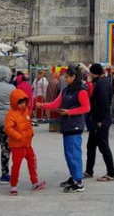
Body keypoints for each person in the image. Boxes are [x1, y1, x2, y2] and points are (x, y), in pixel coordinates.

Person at [38, 65, 91, 193]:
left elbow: (86, 108)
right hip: (67, 125)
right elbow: (56, 103)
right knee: (69, 155)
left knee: (74, 155)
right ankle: (74, 177)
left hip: (75, 125)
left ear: (73, 77)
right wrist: (43, 106)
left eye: (67, 77)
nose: (65, 79)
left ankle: (78, 182)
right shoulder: (66, 91)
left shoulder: (81, 91)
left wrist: (70, 112)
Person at [4, 89, 46, 196]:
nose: (22, 105)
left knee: (32, 162)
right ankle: (13, 186)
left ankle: (34, 182)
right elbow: (8, 128)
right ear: (15, 103)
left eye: (24, 103)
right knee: (16, 165)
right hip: (17, 145)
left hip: (27, 144)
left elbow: (28, 124)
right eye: (20, 103)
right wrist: (19, 136)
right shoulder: (11, 114)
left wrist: (30, 134)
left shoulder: (26, 111)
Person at [85, 63, 114, 182]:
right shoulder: (103, 82)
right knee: (91, 146)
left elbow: (102, 102)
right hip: (98, 119)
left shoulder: (101, 84)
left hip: (101, 120)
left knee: (103, 146)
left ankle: (111, 173)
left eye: (90, 73)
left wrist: (99, 120)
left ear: (95, 73)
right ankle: (89, 170)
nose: (89, 75)